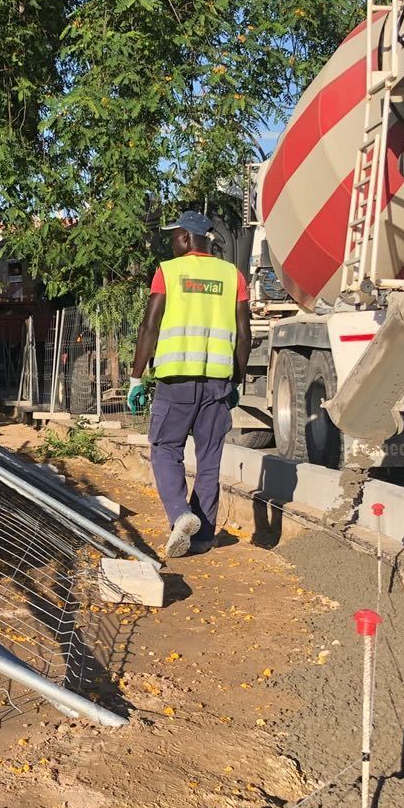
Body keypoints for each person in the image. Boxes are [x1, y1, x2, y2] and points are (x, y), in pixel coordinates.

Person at [128, 210, 252, 558]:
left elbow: (149, 328)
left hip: (176, 381)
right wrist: (235, 380)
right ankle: (202, 538)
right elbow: (245, 335)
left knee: (166, 449)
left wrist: (136, 378)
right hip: (217, 383)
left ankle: (181, 515)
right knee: (209, 459)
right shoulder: (233, 275)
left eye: (173, 235)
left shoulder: (169, 271)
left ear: (185, 237)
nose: (170, 241)